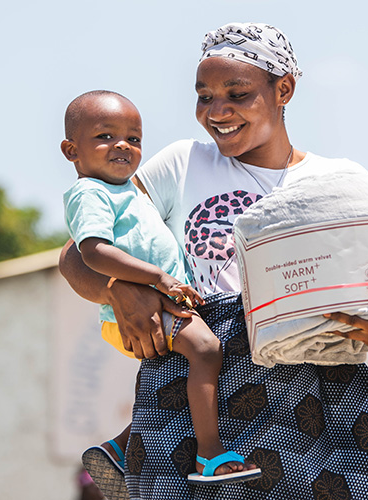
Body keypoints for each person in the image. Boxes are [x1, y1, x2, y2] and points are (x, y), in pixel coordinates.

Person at [60, 22, 368, 499]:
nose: (217, 112)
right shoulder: (182, 165)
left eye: (237, 94)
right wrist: (117, 289)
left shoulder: (337, 180)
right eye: (204, 97)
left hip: (320, 390)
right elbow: (76, 255)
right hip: (205, 386)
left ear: (284, 90)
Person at [61, 90, 260, 484]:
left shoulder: (127, 191)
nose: (123, 145)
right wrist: (157, 279)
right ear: (71, 151)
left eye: (133, 138)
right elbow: (91, 251)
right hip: (143, 308)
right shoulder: (90, 193)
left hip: (163, 301)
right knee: (206, 351)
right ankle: (210, 454)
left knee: (176, 372)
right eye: (105, 136)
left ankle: (120, 448)